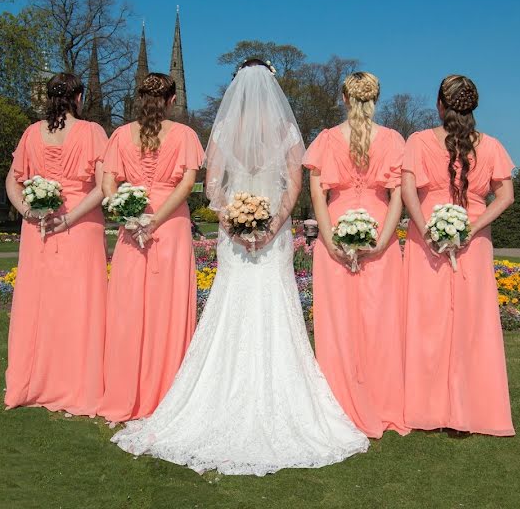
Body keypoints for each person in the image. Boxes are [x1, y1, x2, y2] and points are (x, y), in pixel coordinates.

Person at [110, 59, 369, 476]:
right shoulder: (285, 131)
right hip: (273, 232)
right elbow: (295, 185)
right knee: (273, 307)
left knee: (231, 307)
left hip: (233, 233)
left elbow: (212, 187)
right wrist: (270, 227)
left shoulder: (224, 128)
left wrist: (232, 221)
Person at [402, 74, 516, 436]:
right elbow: (507, 196)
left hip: (427, 243)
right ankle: (471, 411)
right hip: (474, 244)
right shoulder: (493, 145)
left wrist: (427, 229)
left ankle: (426, 411)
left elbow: (407, 193)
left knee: (426, 324)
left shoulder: (418, 141)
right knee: (473, 326)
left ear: (439, 104)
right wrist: (474, 225)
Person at [304, 71, 408, 438]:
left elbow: (318, 194)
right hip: (381, 233)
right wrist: (385, 238)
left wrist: (329, 239)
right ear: (375, 98)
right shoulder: (394, 140)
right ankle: (381, 402)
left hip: (336, 230)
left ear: (344, 99)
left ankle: (338, 403)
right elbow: (399, 195)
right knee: (381, 322)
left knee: (338, 324)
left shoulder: (327, 139)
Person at [98, 73, 204, 423]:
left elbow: (108, 182)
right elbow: (187, 184)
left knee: (129, 308)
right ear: (173, 100)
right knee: (167, 308)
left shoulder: (119, 135)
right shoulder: (185, 135)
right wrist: (154, 220)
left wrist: (126, 216)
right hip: (168, 226)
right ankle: (166, 393)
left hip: (133, 227)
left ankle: (126, 390)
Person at [4, 72, 108, 415]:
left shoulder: (32, 133)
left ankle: (32, 382)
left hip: (38, 230)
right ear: (78, 97)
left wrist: (27, 211)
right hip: (79, 229)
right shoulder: (92, 132)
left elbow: (13, 180)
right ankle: (78, 386)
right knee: (81, 306)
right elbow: (103, 187)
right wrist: (70, 217)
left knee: (37, 306)